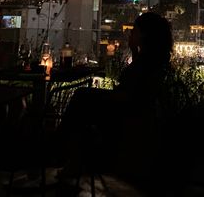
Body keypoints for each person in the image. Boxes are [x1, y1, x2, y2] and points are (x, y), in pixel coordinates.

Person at [57, 12, 173, 189]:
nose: (130, 34)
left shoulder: (147, 62)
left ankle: (60, 149)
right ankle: (73, 158)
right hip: (130, 109)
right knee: (84, 98)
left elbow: (132, 92)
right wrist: (134, 50)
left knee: (82, 97)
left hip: (124, 111)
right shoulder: (156, 59)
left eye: (134, 30)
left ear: (143, 34)